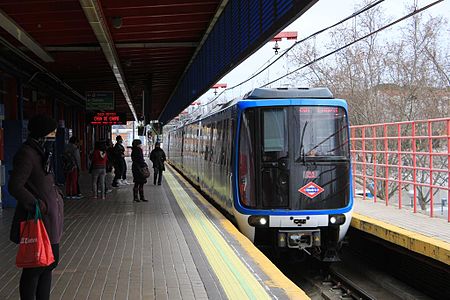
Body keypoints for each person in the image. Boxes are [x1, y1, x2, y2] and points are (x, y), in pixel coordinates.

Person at [8, 114, 64, 300]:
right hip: (39, 221)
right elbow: (15, 185)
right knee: (35, 268)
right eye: (52, 131)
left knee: (49, 264)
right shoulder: (27, 153)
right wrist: (38, 204)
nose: (54, 135)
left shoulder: (41, 152)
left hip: (51, 222)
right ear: (42, 132)